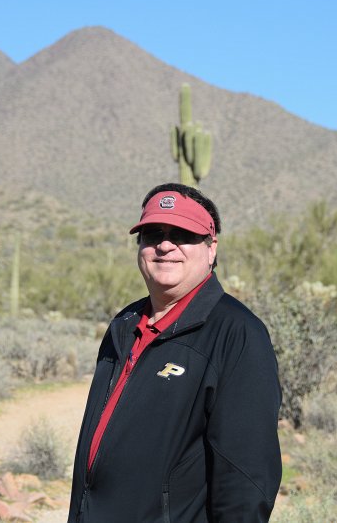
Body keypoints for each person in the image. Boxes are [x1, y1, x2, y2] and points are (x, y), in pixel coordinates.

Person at [69, 183, 282, 523]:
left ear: (211, 247)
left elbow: (246, 478)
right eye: (152, 234)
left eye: (182, 234)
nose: (165, 245)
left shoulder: (236, 333)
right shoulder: (123, 325)